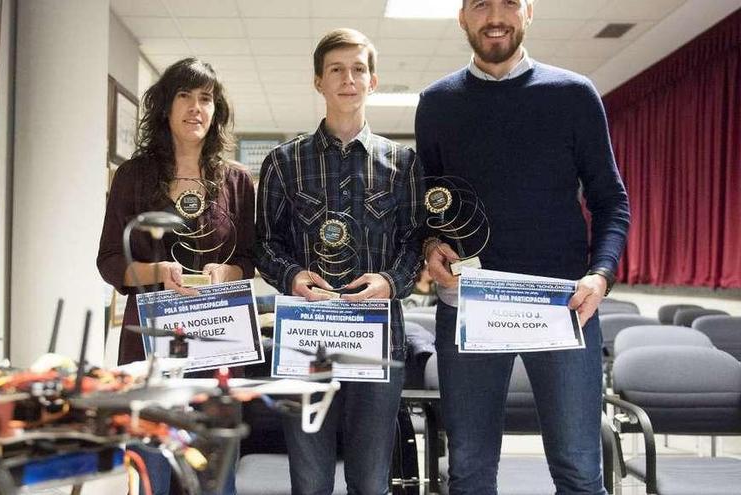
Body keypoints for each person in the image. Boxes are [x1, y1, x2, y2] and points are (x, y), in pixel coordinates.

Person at [414, 1, 631, 494]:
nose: (496, 15)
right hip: (468, 304)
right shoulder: (437, 101)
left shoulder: (574, 94)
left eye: (509, 2)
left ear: (529, 12)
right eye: (481, 4)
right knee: (468, 470)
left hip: (563, 306)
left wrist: (601, 274)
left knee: (579, 468)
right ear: (462, 16)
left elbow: (611, 201)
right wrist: (430, 244)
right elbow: (425, 204)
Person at [255, 28, 424, 494]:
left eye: (358, 69)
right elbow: (264, 245)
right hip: (307, 338)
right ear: (318, 82)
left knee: (371, 482)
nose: (348, 78)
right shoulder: (283, 162)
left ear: (373, 81)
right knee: (309, 482)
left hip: (377, 339)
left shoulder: (403, 163)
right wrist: (291, 277)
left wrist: (391, 282)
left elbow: (415, 243)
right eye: (336, 70)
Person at [97, 58, 254, 495]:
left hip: (218, 344)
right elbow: (110, 260)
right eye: (184, 95)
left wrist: (229, 271)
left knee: (213, 479)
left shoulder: (237, 181)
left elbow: (249, 258)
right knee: (152, 473)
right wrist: (154, 271)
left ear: (216, 110)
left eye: (205, 98)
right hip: (149, 345)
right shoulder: (133, 175)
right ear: (165, 106)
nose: (195, 107)